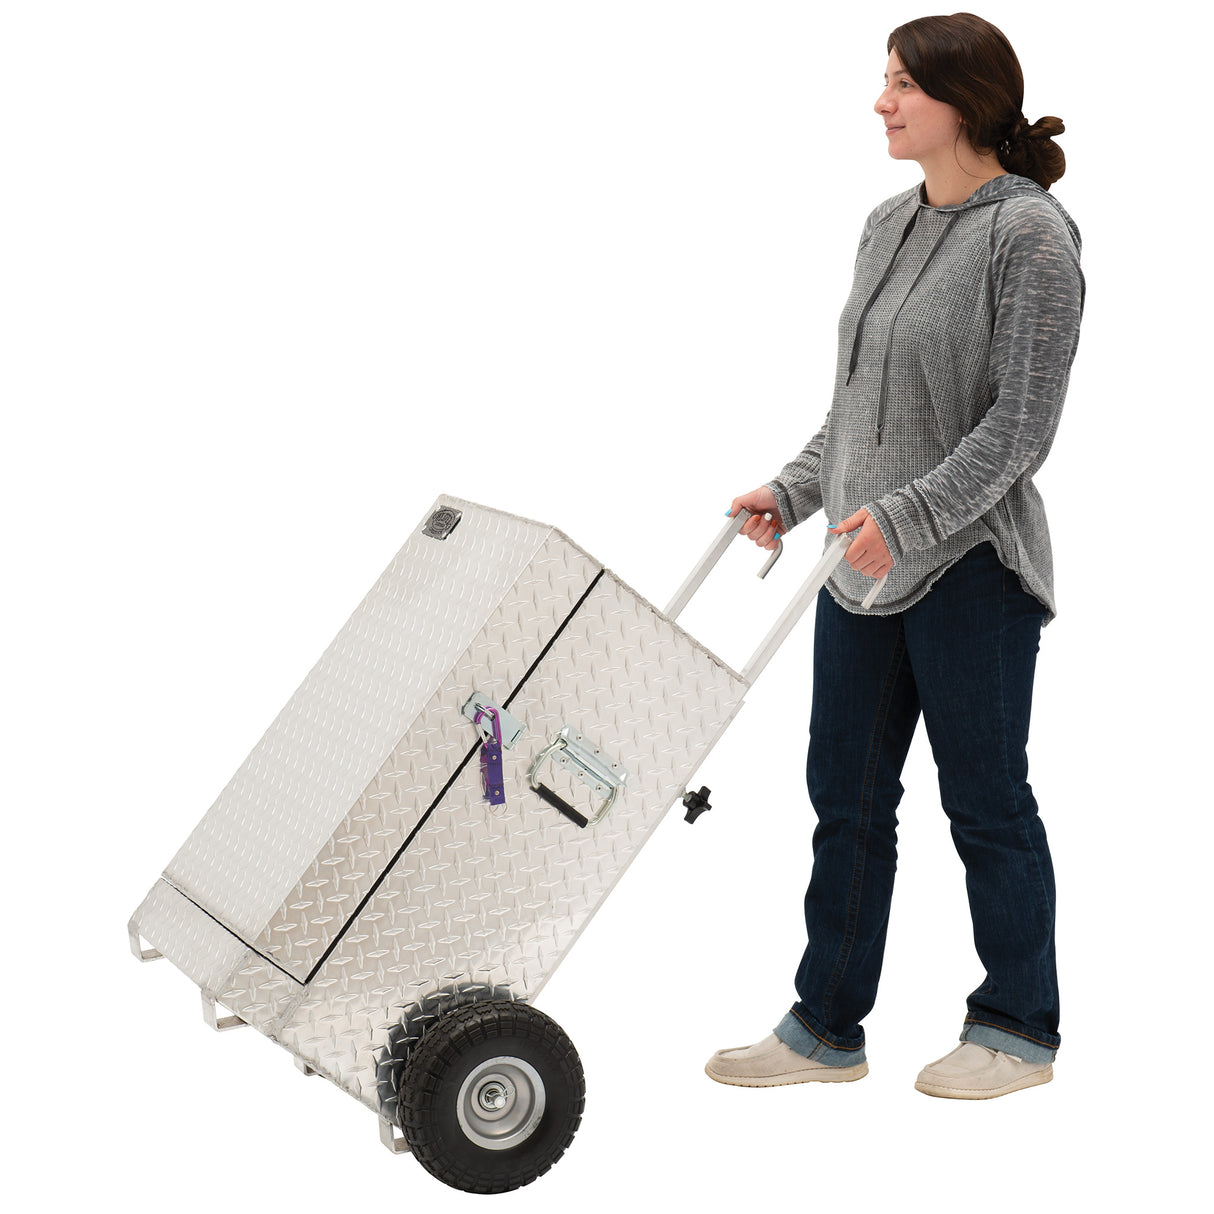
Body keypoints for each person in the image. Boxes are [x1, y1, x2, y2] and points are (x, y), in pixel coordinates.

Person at [705, 13, 1084, 1100]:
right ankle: (825, 1027)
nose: (882, 102)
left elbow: (1019, 426)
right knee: (847, 800)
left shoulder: (1031, 237)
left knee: (985, 802)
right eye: (884, 81)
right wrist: (793, 490)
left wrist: (908, 514)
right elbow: (858, 404)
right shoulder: (884, 223)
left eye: (904, 85)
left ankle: (1016, 1029)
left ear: (968, 100)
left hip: (972, 569)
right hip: (858, 563)